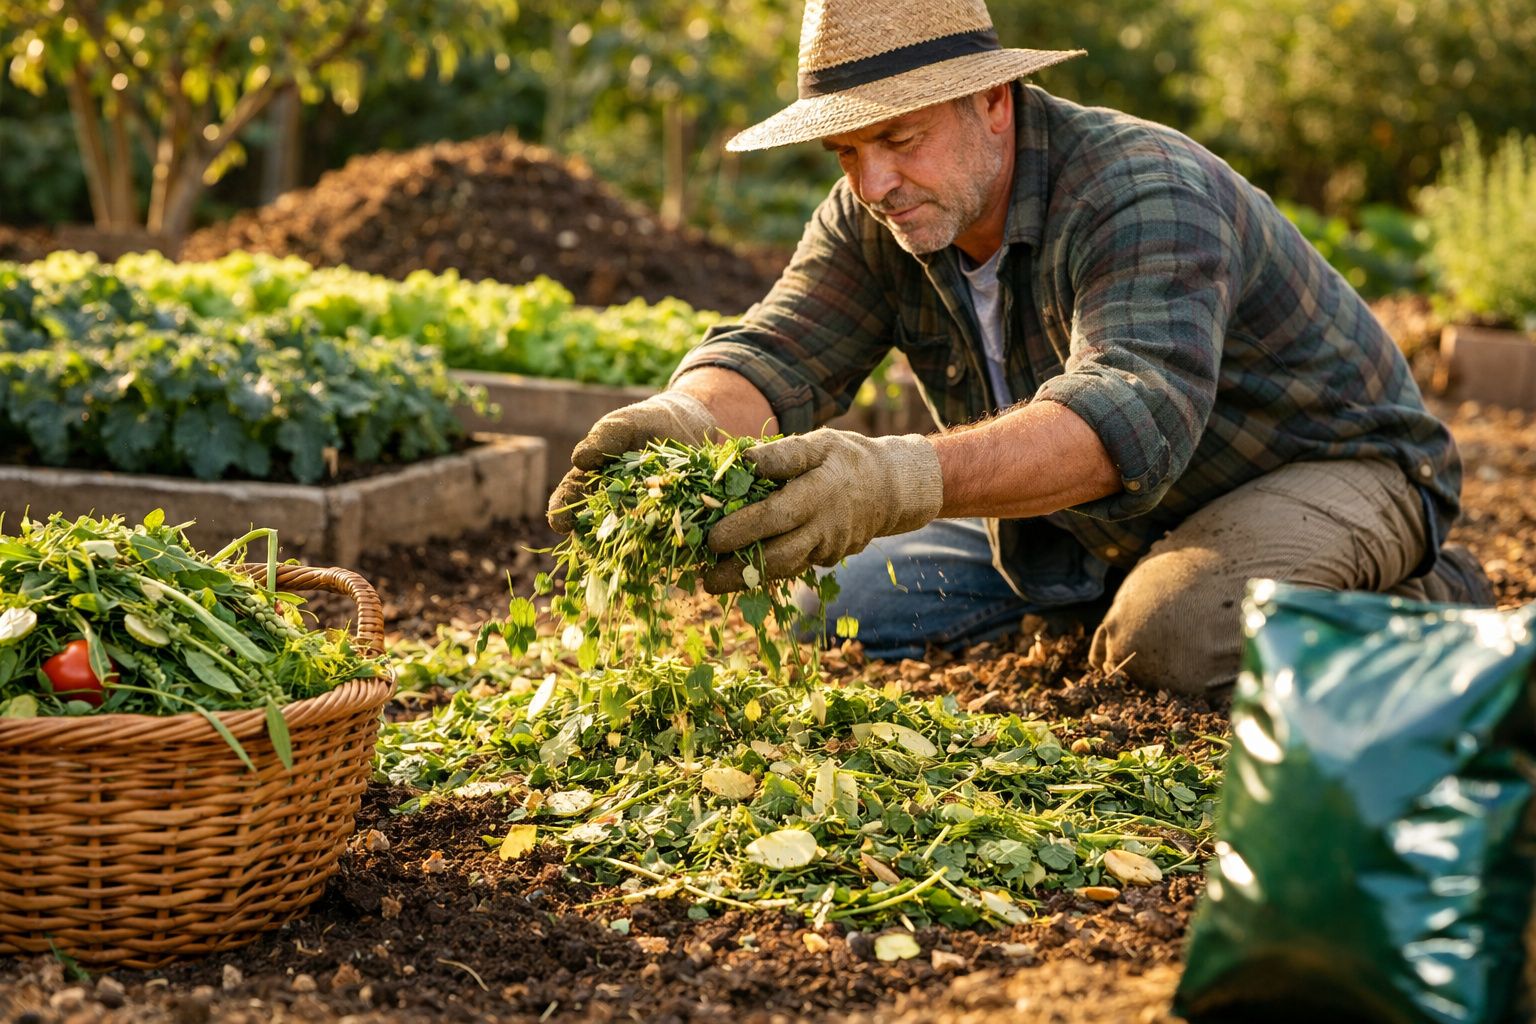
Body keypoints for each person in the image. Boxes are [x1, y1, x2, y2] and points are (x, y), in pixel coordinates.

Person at [548, 0, 1492, 694]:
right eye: (846, 153)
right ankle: (1124, 581)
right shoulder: (880, 215)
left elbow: (1131, 413)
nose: (874, 181)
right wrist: (676, 421)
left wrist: (892, 477)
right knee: (825, 608)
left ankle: (1433, 598)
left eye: (899, 138)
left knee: (1167, 645)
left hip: (1324, 468)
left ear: (992, 100)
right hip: (1099, 520)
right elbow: (781, 349)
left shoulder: (1139, 188)